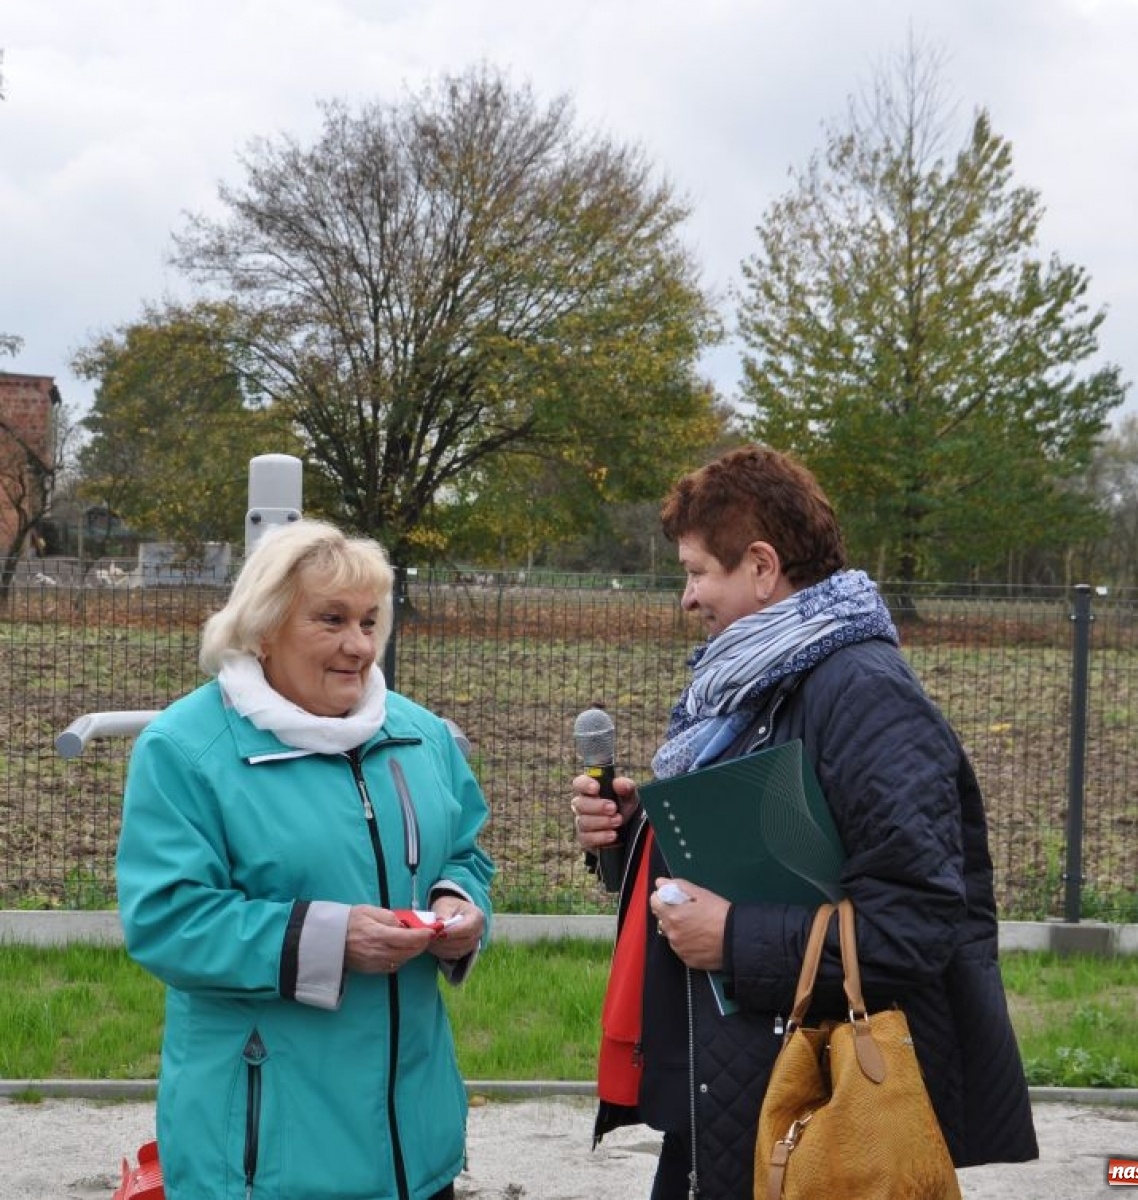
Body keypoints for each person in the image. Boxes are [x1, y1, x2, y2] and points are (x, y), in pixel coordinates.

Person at [572, 445, 1038, 1199]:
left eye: (696, 572)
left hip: (814, 1107)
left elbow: (915, 922)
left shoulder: (863, 694)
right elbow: (754, 859)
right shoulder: (758, 684)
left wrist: (731, 939)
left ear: (760, 567)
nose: (686, 598)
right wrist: (632, 840)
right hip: (736, 1090)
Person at [117, 519, 495, 1200]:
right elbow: (168, 921)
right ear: (263, 628)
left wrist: (457, 904)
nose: (358, 645)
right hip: (267, 1157)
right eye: (331, 620)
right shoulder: (184, 750)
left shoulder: (418, 735)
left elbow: (465, 851)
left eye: (369, 621)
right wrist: (330, 938)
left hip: (417, 1142)